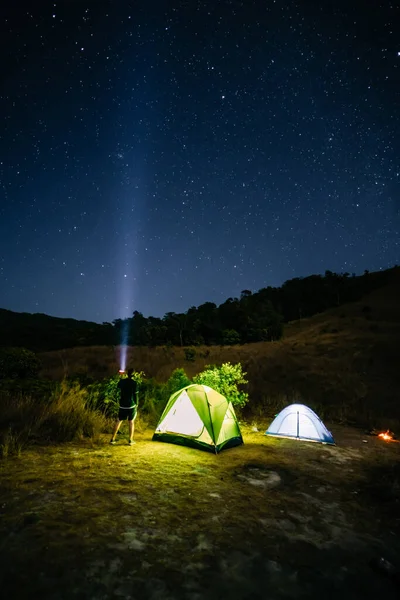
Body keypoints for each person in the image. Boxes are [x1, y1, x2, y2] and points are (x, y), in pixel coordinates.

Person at [110, 367, 138, 445]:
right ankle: (130, 440)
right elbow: (136, 395)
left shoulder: (122, 381)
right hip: (131, 405)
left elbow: (118, 386)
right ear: (134, 375)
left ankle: (112, 439)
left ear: (127, 373)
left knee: (119, 420)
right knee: (131, 422)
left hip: (122, 405)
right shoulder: (134, 383)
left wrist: (121, 377)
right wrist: (137, 404)